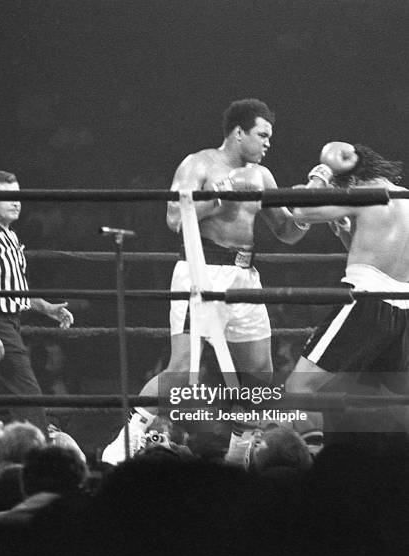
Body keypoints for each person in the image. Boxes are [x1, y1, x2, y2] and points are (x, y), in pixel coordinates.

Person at [103, 99, 309, 464]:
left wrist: (310, 208)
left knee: (259, 375)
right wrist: (221, 193)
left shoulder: (263, 176)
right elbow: (174, 219)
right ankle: (125, 441)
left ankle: (239, 455)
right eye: (262, 135)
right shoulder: (198, 163)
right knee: (183, 371)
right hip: (202, 270)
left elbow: (286, 232)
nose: (268, 143)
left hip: (245, 276)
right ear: (239, 132)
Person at [286, 143, 409, 404]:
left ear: (351, 179)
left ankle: (299, 447)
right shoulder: (405, 196)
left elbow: (301, 210)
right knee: (385, 400)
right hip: (403, 309)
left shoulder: (365, 193)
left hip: (365, 302)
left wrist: (322, 173)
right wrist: (344, 231)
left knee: (299, 386)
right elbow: (376, 252)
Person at [0, 170, 74, 432]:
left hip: (8, 323)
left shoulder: (9, 235)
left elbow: (11, 288)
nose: (16, 202)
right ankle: (40, 449)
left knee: (11, 401)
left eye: (17, 196)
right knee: (27, 394)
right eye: (7, 197)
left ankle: (13, 453)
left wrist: (46, 308)